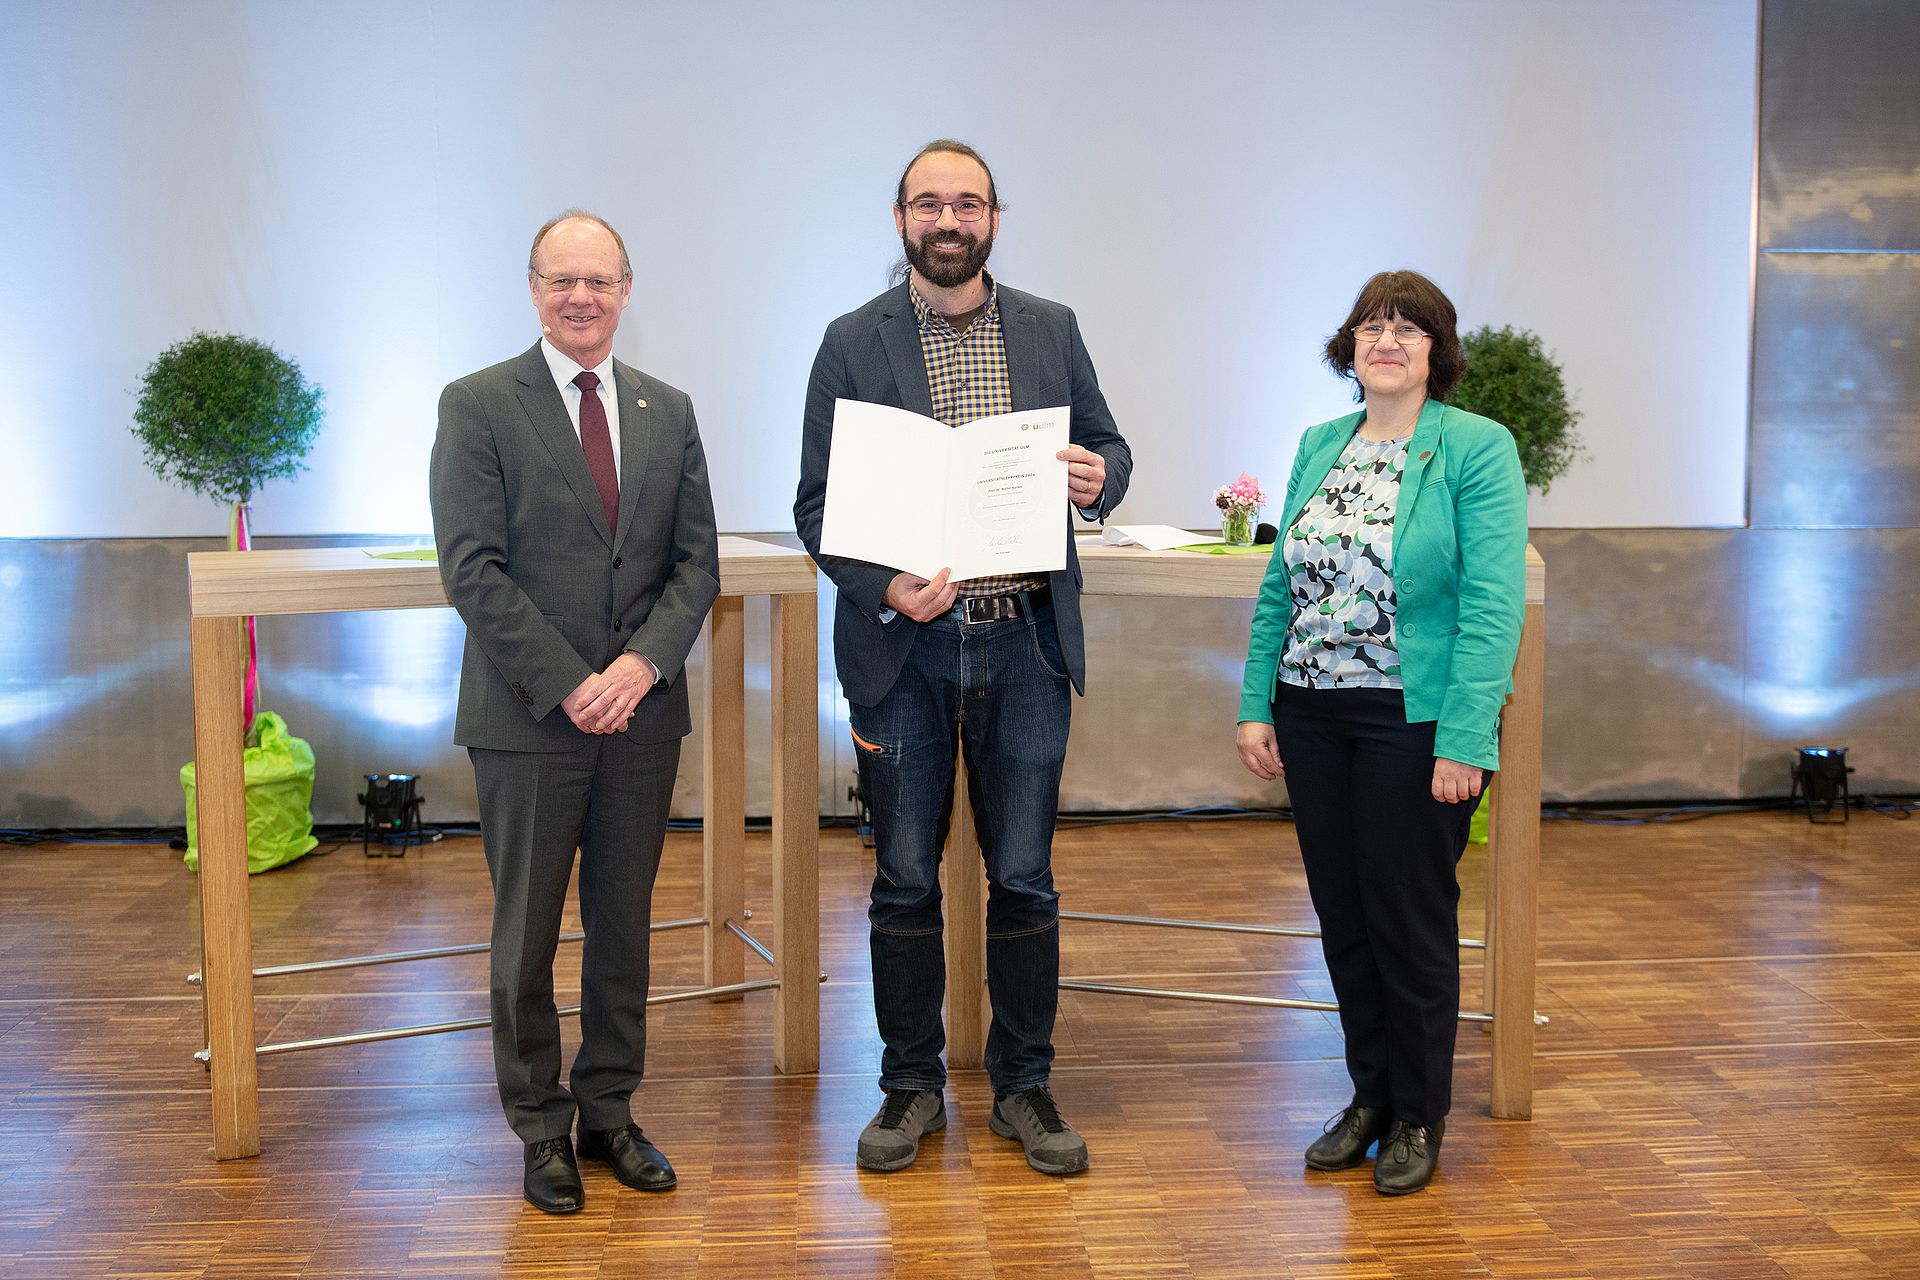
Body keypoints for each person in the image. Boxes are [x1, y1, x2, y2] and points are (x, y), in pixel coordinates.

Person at [794, 140, 1132, 1177]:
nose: (950, 218)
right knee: (901, 880)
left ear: (994, 217)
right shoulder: (851, 340)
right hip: (905, 648)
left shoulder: (1050, 328)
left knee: (1024, 877)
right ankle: (909, 1086)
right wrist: (884, 583)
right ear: (900, 218)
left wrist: (1094, 480)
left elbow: (1111, 450)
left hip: (1025, 641)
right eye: (929, 202)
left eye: (968, 202)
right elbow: (817, 506)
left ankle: (1024, 1084)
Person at [429, 211, 720, 1214]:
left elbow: (697, 563)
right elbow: (471, 567)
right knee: (526, 933)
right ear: (533, 287)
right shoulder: (476, 405)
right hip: (528, 717)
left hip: (642, 713)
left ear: (627, 289)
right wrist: (569, 680)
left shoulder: (668, 408)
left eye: (600, 279)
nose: (581, 296)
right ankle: (540, 1124)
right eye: (563, 280)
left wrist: (639, 666)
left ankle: (609, 1108)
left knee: (623, 924)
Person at [1234, 270, 1526, 1195]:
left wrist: (1467, 740)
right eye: (1371, 325)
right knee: (1346, 921)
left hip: (1415, 719)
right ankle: (1369, 1097)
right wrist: (1254, 701)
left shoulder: (1476, 447)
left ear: (1437, 350)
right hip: (1310, 714)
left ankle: (1417, 1114)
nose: (1386, 340)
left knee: (1409, 924)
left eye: (1408, 328)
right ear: (1349, 346)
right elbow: (1281, 583)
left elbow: (1491, 603)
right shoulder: (1322, 442)